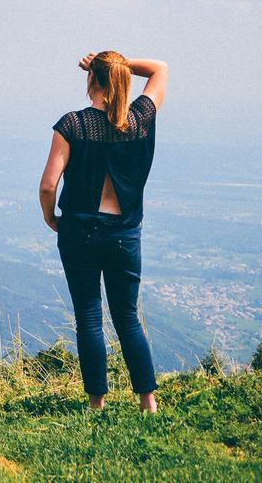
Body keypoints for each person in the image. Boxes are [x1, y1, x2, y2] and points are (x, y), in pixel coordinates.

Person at [38, 51, 168, 412]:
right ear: (121, 79)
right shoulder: (140, 120)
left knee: (89, 316)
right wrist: (116, 63)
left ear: (91, 81)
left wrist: (51, 218)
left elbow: (49, 185)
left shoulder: (73, 125)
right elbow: (160, 68)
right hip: (125, 233)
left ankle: (97, 404)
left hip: (79, 230)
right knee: (127, 316)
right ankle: (148, 402)